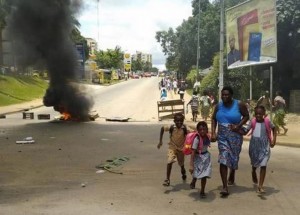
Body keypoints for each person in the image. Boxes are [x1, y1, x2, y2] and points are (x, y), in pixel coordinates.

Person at [211, 86, 249, 197]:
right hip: (222, 136)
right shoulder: (218, 106)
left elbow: (246, 116)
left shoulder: (239, 104)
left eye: (227, 94)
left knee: (233, 157)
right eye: (223, 94)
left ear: (232, 95)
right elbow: (213, 118)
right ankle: (224, 187)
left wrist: (239, 125)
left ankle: (232, 171)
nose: (224, 96)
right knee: (223, 157)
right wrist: (213, 132)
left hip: (235, 136)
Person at [241, 105, 277, 194]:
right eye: (256, 114)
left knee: (263, 164)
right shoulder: (252, 121)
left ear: (264, 114)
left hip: (264, 146)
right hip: (254, 146)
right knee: (255, 163)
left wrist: (273, 140)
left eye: (260, 114)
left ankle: (260, 186)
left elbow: (274, 128)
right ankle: (253, 170)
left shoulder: (268, 121)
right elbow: (246, 131)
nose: (258, 116)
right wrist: (237, 128)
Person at [157, 113, 189, 186]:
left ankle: (183, 171)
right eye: (177, 121)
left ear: (183, 121)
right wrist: (160, 141)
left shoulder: (185, 128)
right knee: (169, 161)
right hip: (172, 147)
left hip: (181, 149)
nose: (179, 122)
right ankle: (167, 179)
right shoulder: (171, 127)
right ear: (174, 121)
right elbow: (162, 128)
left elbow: (191, 135)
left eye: (181, 121)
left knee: (181, 164)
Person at [189, 121, 212, 198]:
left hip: (206, 157)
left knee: (204, 175)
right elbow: (193, 152)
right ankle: (194, 180)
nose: (202, 131)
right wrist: (191, 165)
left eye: (204, 129)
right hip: (197, 157)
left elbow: (214, 139)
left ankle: (202, 190)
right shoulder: (197, 139)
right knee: (197, 172)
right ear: (198, 131)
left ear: (207, 130)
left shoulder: (208, 137)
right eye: (200, 129)